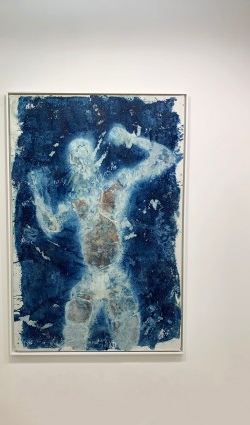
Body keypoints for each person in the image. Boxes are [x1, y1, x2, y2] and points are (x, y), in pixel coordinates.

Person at [28, 124, 181, 350]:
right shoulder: (76, 204)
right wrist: (39, 199)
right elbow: (51, 226)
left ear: (93, 159)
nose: (82, 164)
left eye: (85, 156)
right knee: (75, 338)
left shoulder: (115, 189)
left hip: (114, 277)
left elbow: (165, 157)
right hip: (90, 279)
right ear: (73, 164)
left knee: (128, 340)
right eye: (77, 159)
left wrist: (131, 139)